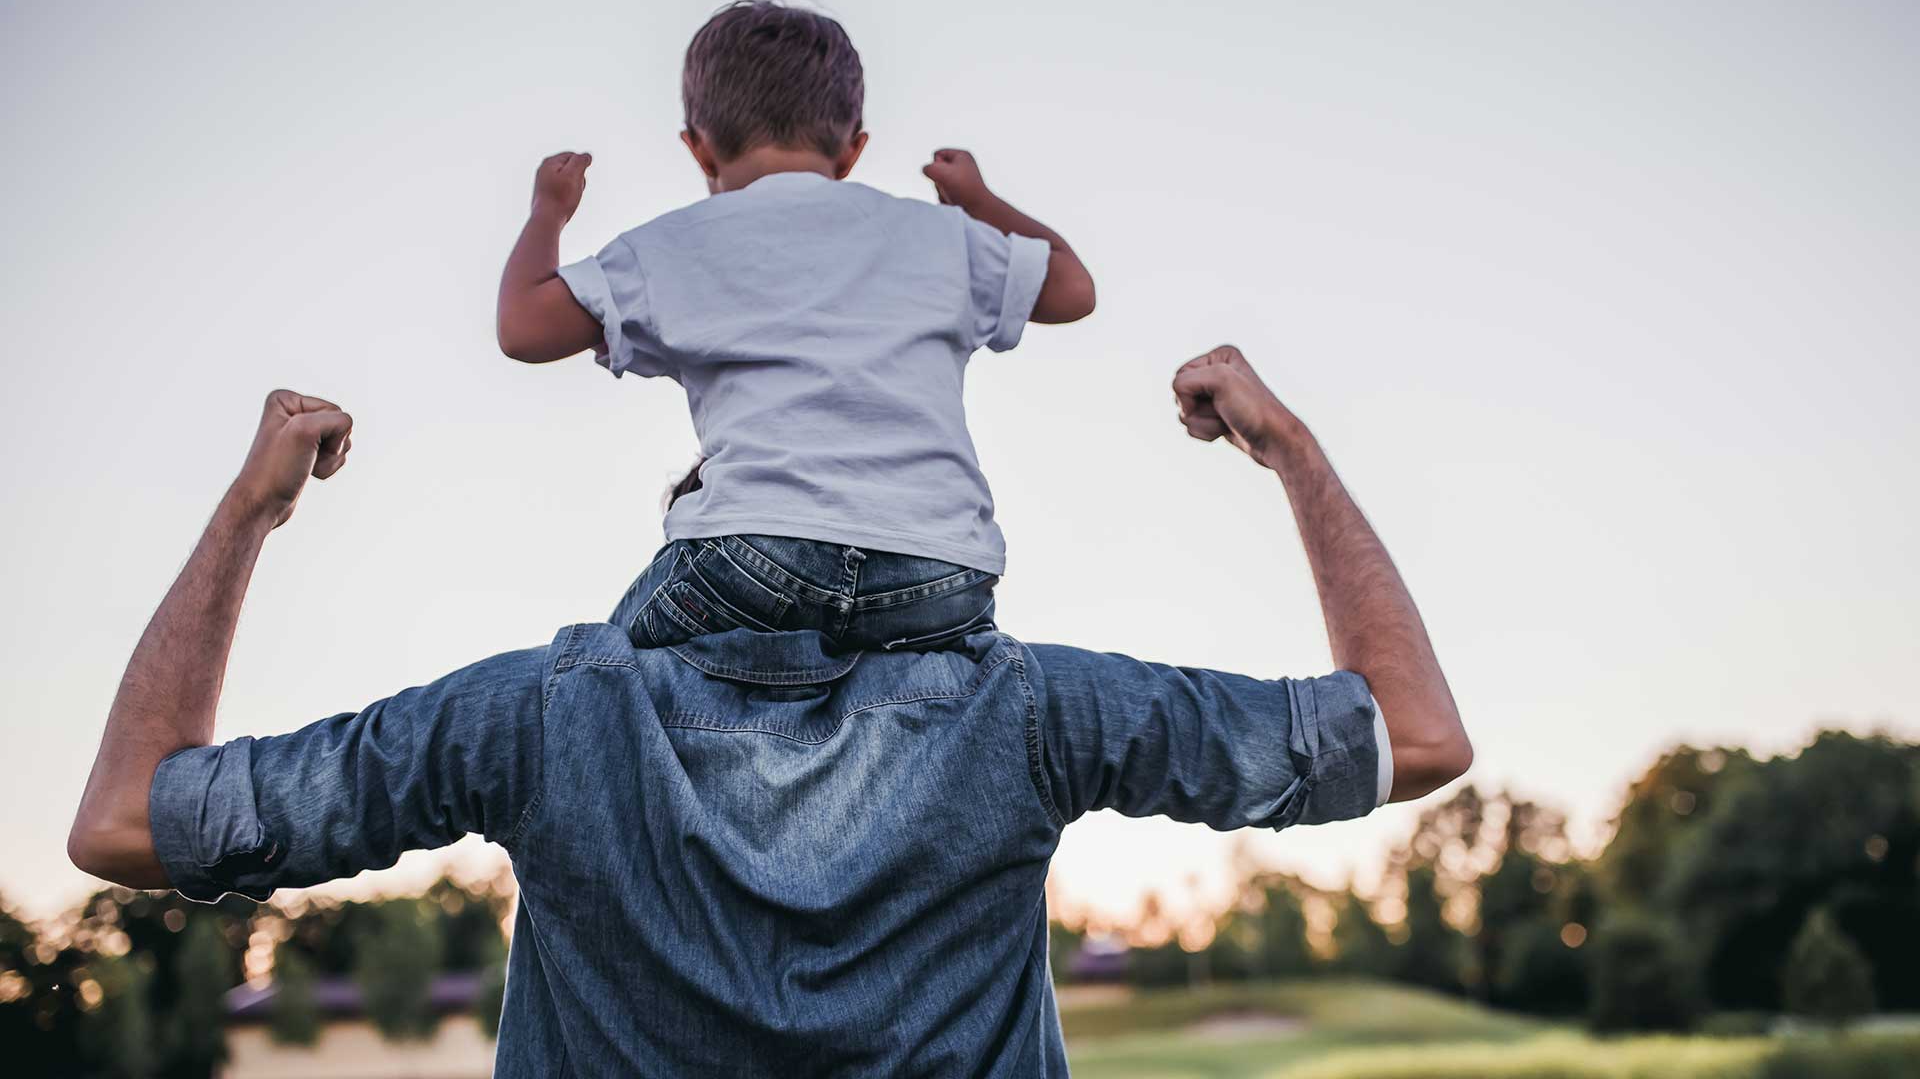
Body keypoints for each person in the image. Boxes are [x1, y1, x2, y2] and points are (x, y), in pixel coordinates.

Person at [66, 346, 1472, 1076]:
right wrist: (1287, 449)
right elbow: (1414, 736)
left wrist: (253, 510)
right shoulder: (1029, 713)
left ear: (685, 535)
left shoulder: (537, 720)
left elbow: (129, 819)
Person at [494, 0, 1098, 654]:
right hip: (941, 573)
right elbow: (1073, 289)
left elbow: (523, 326)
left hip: (756, 559)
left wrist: (547, 212)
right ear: (853, 150)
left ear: (698, 150)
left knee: (601, 673)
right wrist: (977, 201)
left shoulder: (676, 245)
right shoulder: (939, 236)